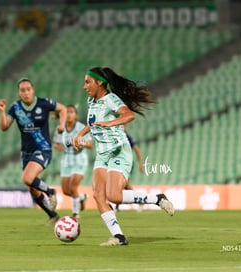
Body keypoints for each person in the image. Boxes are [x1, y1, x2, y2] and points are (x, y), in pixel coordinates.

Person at [73, 67, 174, 246]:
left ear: (100, 83)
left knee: (114, 196)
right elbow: (94, 123)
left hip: (119, 151)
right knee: (98, 195)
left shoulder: (111, 99)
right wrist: (81, 133)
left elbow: (128, 115)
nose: (84, 86)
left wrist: (110, 123)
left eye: (88, 82)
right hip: (102, 154)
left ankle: (157, 199)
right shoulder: (92, 101)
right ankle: (119, 237)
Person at [0, 77, 67, 226]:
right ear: (19, 93)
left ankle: (51, 192)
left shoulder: (44, 103)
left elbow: (63, 109)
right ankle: (53, 215)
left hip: (43, 149)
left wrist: (61, 125)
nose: (26, 92)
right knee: (33, 190)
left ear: (33, 90)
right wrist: (2, 112)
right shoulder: (15, 108)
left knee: (27, 178)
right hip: (26, 153)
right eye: (23, 90)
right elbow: (4, 126)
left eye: (28, 89)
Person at [52, 104, 93, 218]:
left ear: (75, 115)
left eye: (71, 112)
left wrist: (82, 143)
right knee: (65, 190)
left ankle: (75, 212)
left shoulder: (81, 127)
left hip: (79, 159)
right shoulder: (60, 128)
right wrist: (59, 147)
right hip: (66, 160)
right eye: (67, 112)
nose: (69, 114)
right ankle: (81, 198)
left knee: (73, 187)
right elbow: (55, 143)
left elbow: (90, 144)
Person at [114, 132, 145, 212]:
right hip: (118, 163)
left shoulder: (127, 137)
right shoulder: (115, 135)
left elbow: (137, 150)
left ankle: (140, 200)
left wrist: (141, 164)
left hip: (127, 163)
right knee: (123, 185)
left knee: (123, 184)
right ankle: (140, 200)